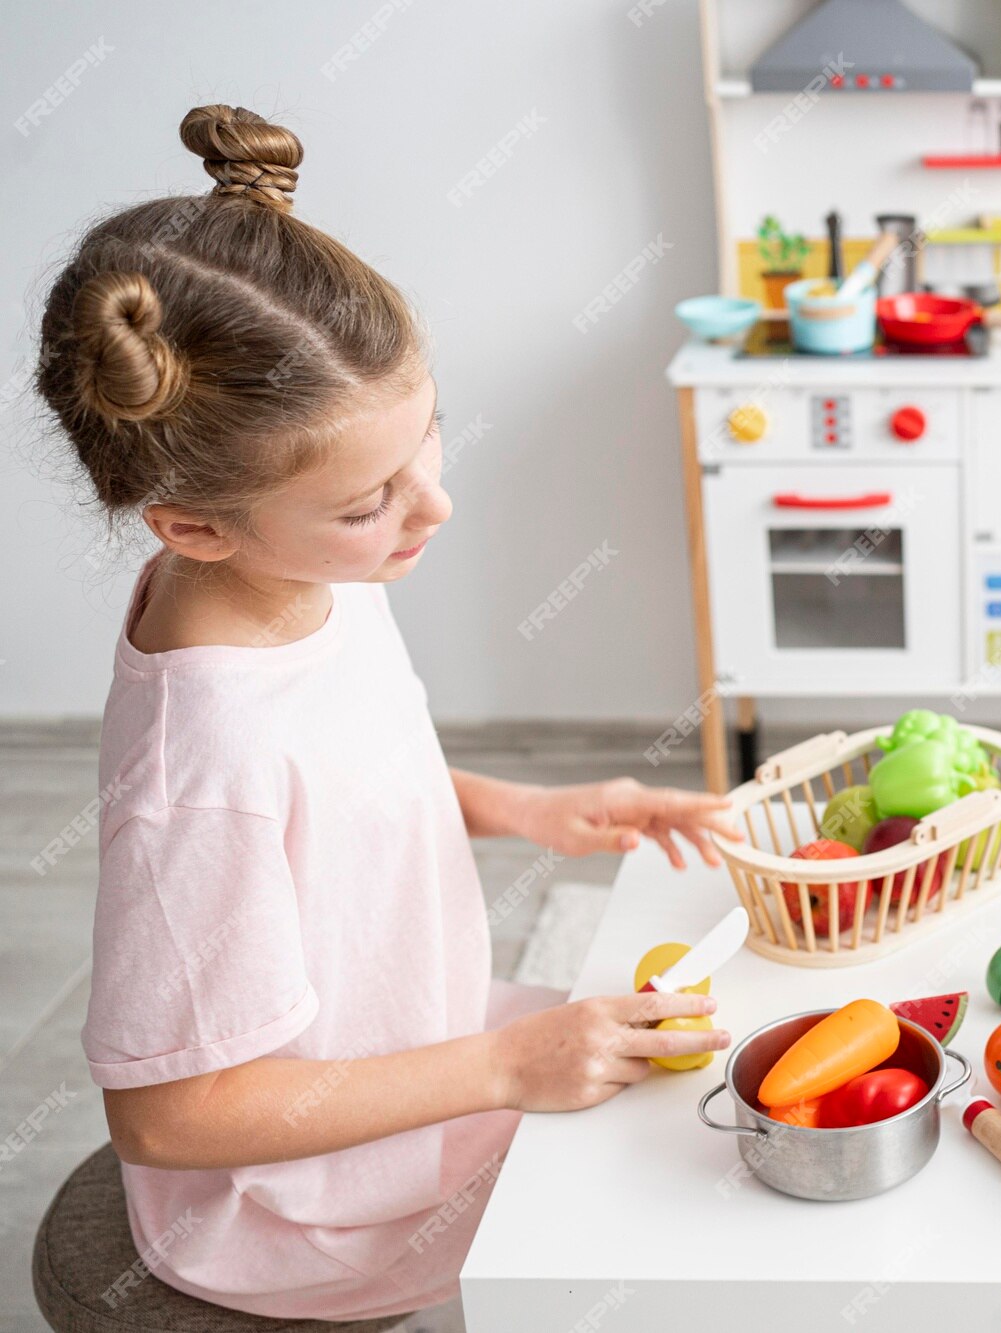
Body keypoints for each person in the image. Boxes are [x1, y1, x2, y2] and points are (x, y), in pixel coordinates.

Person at [38, 105, 737, 1321]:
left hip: (424, 1034)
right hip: (301, 1205)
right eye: (371, 500)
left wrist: (526, 806)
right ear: (194, 526)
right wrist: (506, 1066)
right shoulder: (198, 767)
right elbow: (167, 1113)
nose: (435, 507)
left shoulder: (299, 571)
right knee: (681, 1213)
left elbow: (343, 791)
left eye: (430, 444)